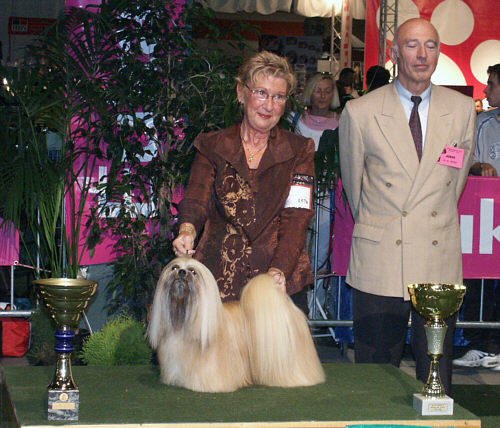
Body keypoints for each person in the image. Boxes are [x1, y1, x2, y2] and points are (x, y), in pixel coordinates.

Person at [339, 18, 476, 395]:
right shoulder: (361, 111)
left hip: (437, 253)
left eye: (430, 45)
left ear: (439, 52)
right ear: (395, 52)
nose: (421, 55)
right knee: (375, 374)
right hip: (382, 255)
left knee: (437, 369)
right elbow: (355, 187)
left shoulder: (463, 109)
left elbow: (455, 181)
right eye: (412, 45)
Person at [173, 51, 315, 310]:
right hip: (217, 279)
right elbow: (196, 197)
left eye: (279, 97)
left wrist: (279, 270)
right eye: (261, 93)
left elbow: (297, 216)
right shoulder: (213, 144)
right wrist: (187, 229)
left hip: (277, 281)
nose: (269, 105)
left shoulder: (300, 149)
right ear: (241, 93)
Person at [454, 64, 500, 370]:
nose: (485, 90)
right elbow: (458, 156)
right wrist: (475, 168)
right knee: (477, 279)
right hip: (484, 218)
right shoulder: (482, 122)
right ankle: (480, 344)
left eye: (491, 84)